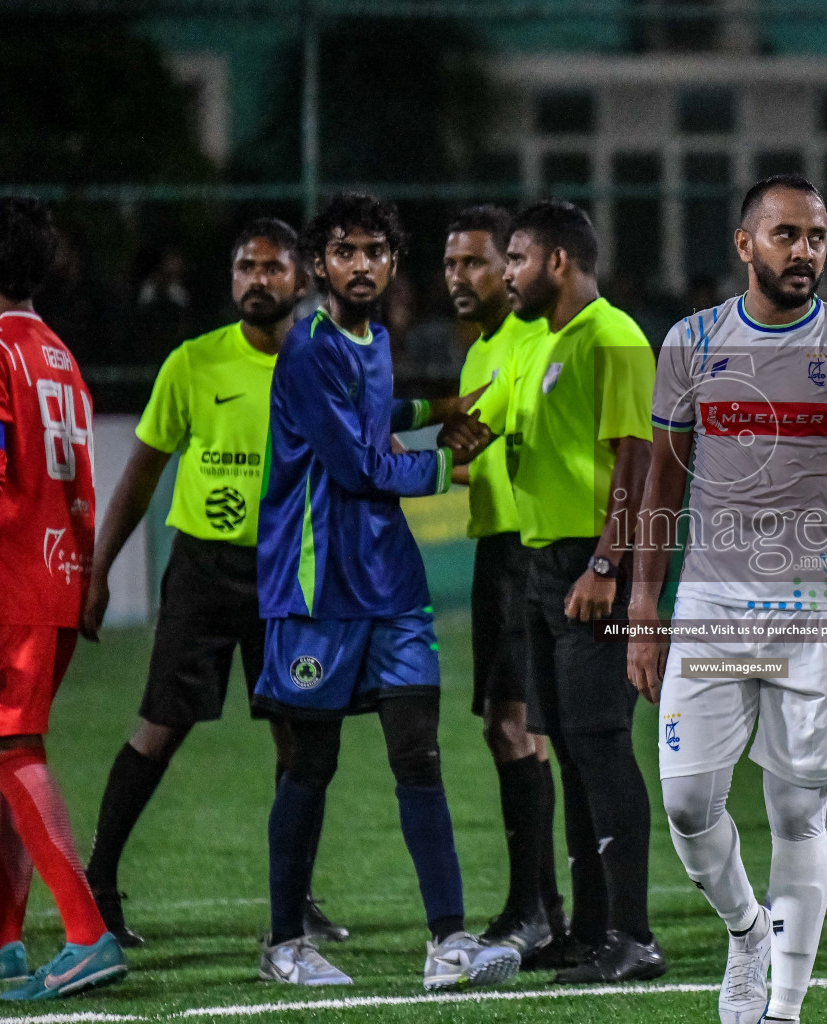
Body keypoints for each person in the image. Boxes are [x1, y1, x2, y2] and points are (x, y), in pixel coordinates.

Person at [628, 173, 827, 1024]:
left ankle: (780, 1008)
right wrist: (644, 606)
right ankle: (746, 932)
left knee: (795, 808)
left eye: (816, 237)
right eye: (786, 235)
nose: (805, 252)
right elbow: (660, 482)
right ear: (746, 244)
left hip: (814, 610)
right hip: (712, 607)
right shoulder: (693, 341)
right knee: (685, 801)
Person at [250, 192, 518, 989]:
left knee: (420, 755)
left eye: (374, 251)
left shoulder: (370, 340)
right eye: (343, 251)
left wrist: (427, 408)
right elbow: (360, 465)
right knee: (312, 764)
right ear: (318, 265)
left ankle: (448, 946)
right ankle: (284, 944)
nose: (360, 264)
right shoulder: (306, 348)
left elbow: (370, 414)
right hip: (317, 590)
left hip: (392, 586)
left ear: (393, 264)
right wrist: (449, 460)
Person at [78, 218, 347, 949]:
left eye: (272, 266)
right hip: (204, 570)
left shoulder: (326, 367)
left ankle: (295, 901)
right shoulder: (192, 363)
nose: (257, 278)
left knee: (298, 740)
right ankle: (97, 886)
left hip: (289, 575)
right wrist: (99, 572)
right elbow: (139, 477)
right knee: (161, 726)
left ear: (300, 280)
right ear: (232, 281)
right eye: (244, 267)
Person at [470, 200, 663, 982]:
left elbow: (637, 462)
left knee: (603, 750)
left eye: (514, 257)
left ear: (557, 262)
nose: (504, 273)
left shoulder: (613, 337)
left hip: (594, 566)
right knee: (575, 757)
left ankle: (635, 937)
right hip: (545, 568)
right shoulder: (548, 342)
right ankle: (588, 932)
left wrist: (608, 566)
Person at [0, 197, 128, 1000]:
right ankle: (2, 939)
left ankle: (86, 934)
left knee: (9, 750)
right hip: (61, 578)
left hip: (9, 584)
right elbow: (83, 481)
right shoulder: (62, 356)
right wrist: (89, 577)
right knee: (16, 752)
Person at [441, 205, 565, 962]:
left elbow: (528, 443)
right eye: (452, 264)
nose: (462, 276)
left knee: (520, 728)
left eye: (478, 262)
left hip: (530, 550)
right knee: (503, 729)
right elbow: (480, 456)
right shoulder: (480, 351)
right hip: (497, 551)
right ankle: (542, 905)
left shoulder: (530, 340)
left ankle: (536, 909)